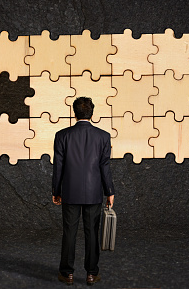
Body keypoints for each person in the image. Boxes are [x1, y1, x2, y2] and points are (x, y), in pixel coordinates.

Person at [52, 97, 115, 286]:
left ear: (74, 113)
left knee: (69, 233)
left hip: (70, 192)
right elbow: (105, 166)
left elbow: (58, 167)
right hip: (94, 192)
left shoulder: (62, 135)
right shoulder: (103, 136)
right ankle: (91, 274)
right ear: (92, 113)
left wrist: (56, 190)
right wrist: (109, 191)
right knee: (92, 233)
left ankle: (67, 273)